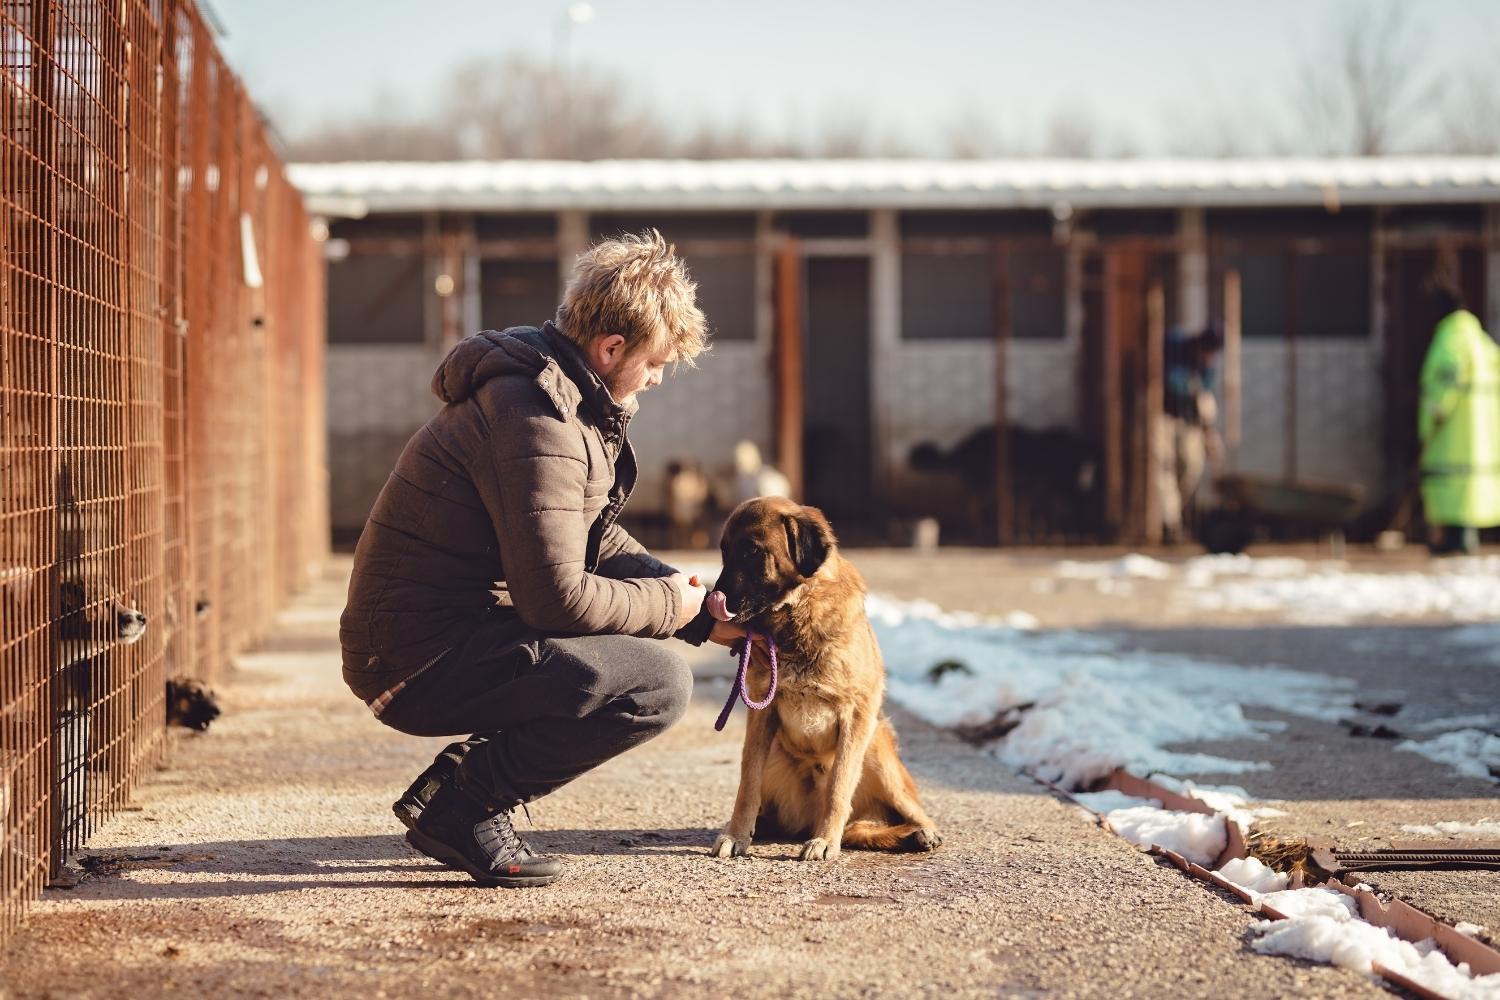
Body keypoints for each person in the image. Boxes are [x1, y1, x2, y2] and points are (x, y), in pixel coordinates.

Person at [339, 231, 741, 887]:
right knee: (656, 685)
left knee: (645, 664)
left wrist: (691, 603)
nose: (659, 377)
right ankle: (466, 807)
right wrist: (674, 611)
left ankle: (458, 789)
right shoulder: (539, 419)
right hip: (417, 661)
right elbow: (556, 597)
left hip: (433, 641)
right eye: (656, 361)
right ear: (611, 348)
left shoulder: (555, 397)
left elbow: (591, 538)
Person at [1419, 292, 1500, 555]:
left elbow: (1445, 383)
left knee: (1451, 484)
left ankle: (1457, 542)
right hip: (1481, 431)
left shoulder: (1451, 339)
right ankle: (1463, 539)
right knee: (1468, 486)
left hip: (1453, 432)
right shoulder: (1480, 339)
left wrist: (1434, 415)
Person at [1158, 322, 1224, 543]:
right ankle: (1170, 524)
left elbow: (1204, 400)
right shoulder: (1173, 345)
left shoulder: (1206, 368)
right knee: (1164, 468)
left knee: (1191, 466)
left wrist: (1209, 432)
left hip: (1188, 421)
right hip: (1163, 416)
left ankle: (1173, 515)